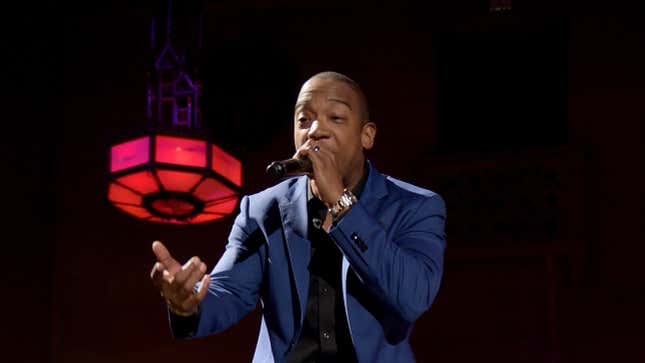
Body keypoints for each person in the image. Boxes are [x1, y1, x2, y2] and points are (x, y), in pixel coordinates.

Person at [150, 71, 447, 363]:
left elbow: (412, 297)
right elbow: (229, 291)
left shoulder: (415, 207)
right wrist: (187, 305)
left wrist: (340, 204)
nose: (315, 130)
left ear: (366, 135)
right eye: (304, 119)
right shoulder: (262, 209)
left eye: (336, 118)